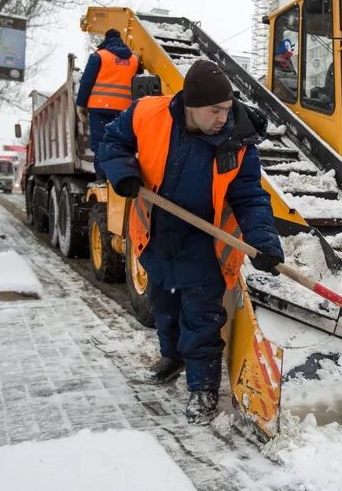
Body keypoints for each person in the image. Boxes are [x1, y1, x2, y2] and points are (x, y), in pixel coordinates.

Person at [99, 60, 285, 425]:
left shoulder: (239, 141)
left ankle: (202, 389)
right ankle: (171, 357)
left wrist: (264, 241)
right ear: (190, 105)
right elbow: (112, 141)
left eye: (227, 109)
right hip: (157, 231)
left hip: (205, 241)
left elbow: (250, 197)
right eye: (215, 111)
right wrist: (123, 173)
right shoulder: (147, 113)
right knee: (163, 304)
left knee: (201, 317)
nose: (222, 117)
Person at [76, 29, 141, 182]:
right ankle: (123, 177)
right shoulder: (134, 60)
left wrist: (81, 105)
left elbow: (86, 82)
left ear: (106, 39)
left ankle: (102, 178)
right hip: (125, 111)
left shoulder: (99, 56)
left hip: (100, 109)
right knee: (124, 144)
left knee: (101, 144)